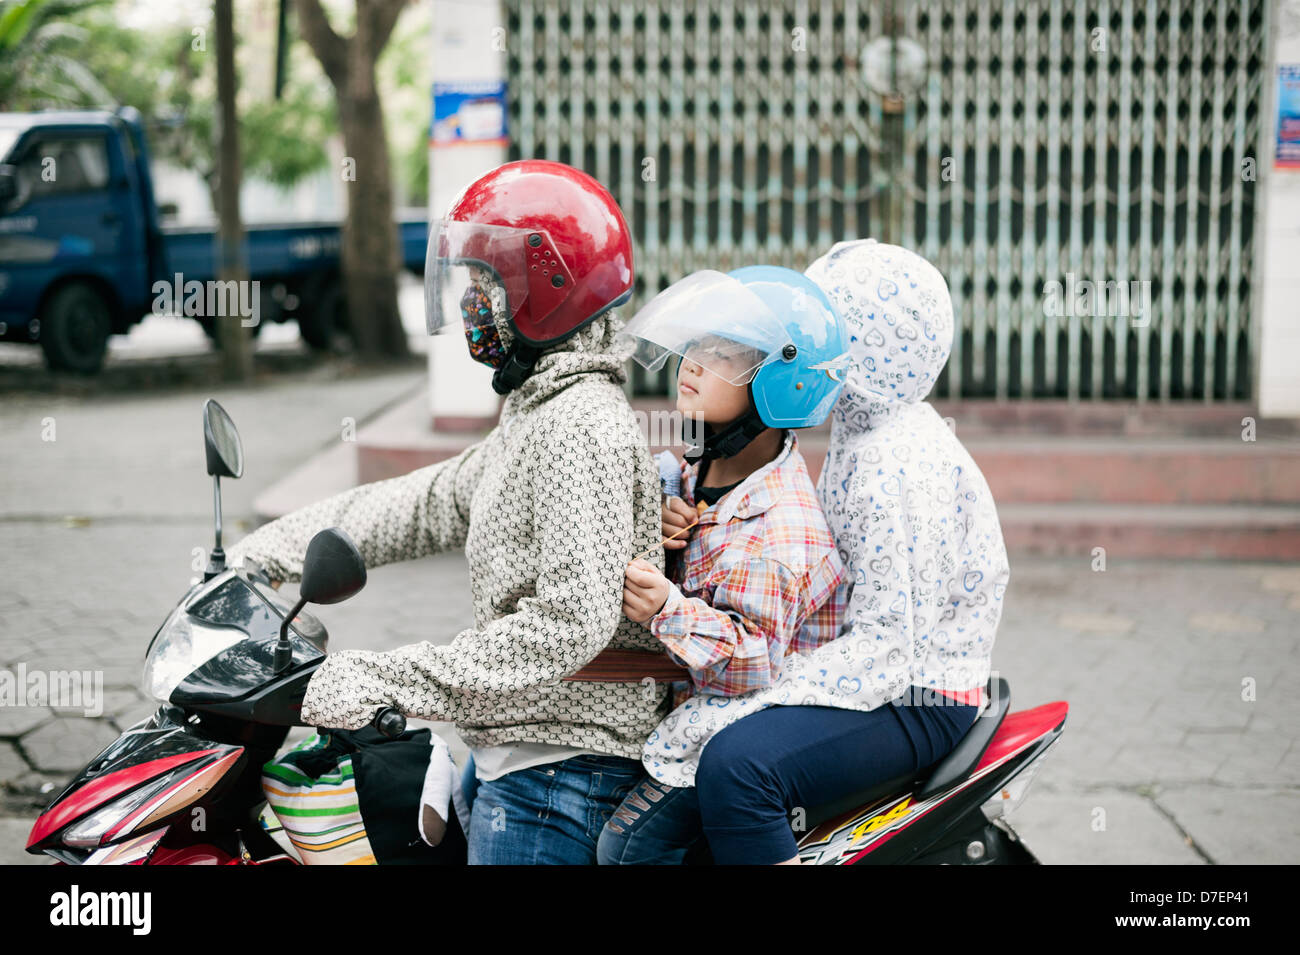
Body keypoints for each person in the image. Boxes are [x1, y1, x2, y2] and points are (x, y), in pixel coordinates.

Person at [226, 159, 686, 866]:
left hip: (563, 776)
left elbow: (569, 624)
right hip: (524, 757)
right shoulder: (539, 411)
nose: (471, 298)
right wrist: (265, 552)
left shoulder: (580, 424)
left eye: (485, 281)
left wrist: (386, 679)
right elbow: (422, 504)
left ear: (548, 287)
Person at [640, 239, 1011, 865]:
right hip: (881, 673)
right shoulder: (863, 432)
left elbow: (890, 648)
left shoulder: (892, 464)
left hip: (918, 696)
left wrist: (760, 690)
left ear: (860, 345)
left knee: (739, 768)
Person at [593, 266, 849, 865]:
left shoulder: (779, 531)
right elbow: (670, 474)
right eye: (697, 346)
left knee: (625, 848)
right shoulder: (706, 466)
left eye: (725, 355)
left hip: (736, 721)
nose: (693, 364)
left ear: (780, 385)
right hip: (690, 706)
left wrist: (667, 610)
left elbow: (754, 663)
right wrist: (658, 504)